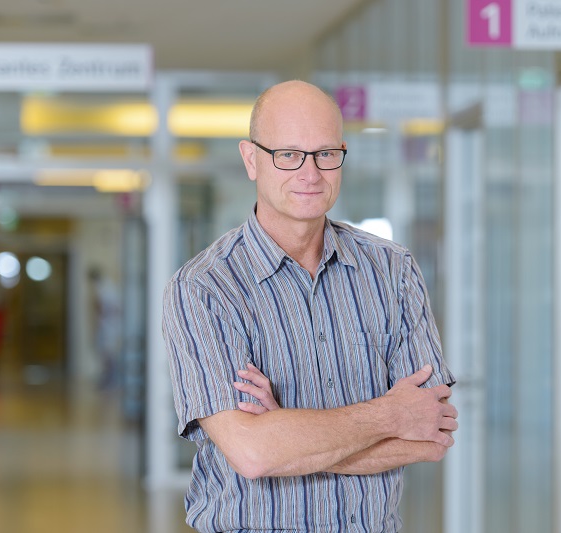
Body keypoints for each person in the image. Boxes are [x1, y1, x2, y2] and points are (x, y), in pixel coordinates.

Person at [162, 80, 458, 532]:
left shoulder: (392, 270)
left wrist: (286, 433)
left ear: (341, 154)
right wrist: (390, 414)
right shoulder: (203, 288)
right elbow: (254, 454)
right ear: (251, 159)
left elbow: (432, 435)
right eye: (288, 155)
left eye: (325, 154)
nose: (310, 172)